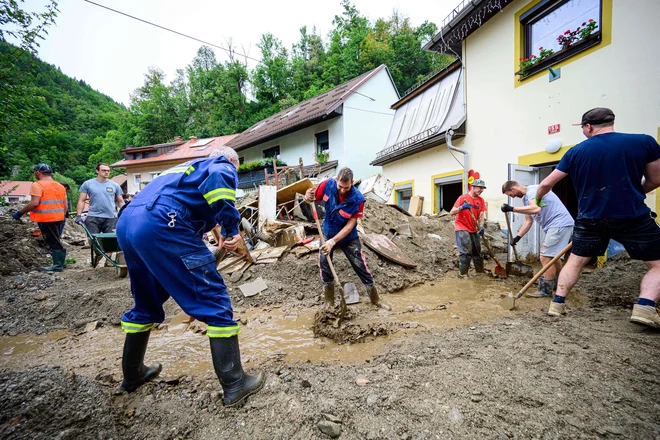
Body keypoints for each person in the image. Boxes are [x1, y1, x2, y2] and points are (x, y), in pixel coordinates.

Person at [115, 147, 264, 407]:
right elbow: (219, 180)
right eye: (236, 171)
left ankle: (133, 374)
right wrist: (231, 229)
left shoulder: (184, 169)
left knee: (146, 303)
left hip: (129, 224)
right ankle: (235, 383)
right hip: (163, 222)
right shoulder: (221, 163)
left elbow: (189, 207)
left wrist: (218, 235)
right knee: (214, 302)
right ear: (233, 161)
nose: (234, 175)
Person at [535, 107, 660, 327]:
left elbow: (546, 183)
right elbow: (655, 179)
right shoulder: (644, 142)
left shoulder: (576, 151)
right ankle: (645, 305)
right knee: (657, 264)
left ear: (589, 126)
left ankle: (557, 304)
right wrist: (636, 190)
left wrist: (538, 199)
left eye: (583, 127)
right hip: (631, 214)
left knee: (575, 262)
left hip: (590, 217)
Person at [304, 167, 384, 308]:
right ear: (336, 181)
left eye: (346, 187)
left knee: (360, 264)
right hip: (328, 231)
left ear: (352, 182)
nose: (342, 190)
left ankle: (375, 299)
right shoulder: (327, 184)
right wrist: (307, 196)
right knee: (324, 263)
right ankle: (329, 302)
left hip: (348, 237)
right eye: (340, 186)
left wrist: (332, 242)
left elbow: (350, 225)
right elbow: (312, 198)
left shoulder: (358, 199)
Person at [501, 181, 574, 297]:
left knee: (545, 257)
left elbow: (536, 209)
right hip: (560, 225)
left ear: (513, 188)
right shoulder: (526, 199)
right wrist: (517, 237)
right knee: (554, 257)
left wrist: (512, 209)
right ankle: (560, 282)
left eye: (510, 194)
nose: (512, 197)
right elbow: (528, 221)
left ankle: (545, 290)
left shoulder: (533, 192)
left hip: (559, 224)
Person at [12, 164, 68, 272]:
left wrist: (20, 213)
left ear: (38, 172)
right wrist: (62, 217)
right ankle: (61, 262)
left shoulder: (37, 185)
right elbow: (65, 205)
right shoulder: (60, 186)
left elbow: (34, 203)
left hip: (46, 218)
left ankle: (58, 266)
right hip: (58, 218)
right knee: (56, 239)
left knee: (53, 241)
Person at [449, 179, 487, 276]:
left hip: (473, 228)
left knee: (477, 251)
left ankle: (480, 272)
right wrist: (462, 207)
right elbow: (452, 212)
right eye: (480, 188)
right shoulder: (463, 198)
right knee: (466, 252)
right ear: (473, 187)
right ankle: (463, 275)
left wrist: (481, 226)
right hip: (461, 227)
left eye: (483, 188)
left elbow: (482, 215)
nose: (481, 190)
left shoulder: (481, 200)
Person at [75, 163, 124, 233]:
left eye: (108, 171)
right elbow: (82, 200)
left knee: (110, 240)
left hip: (111, 217)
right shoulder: (88, 184)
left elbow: (121, 201)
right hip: (93, 216)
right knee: (93, 239)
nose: (106, 172)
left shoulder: (115, 185)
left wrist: (125, 214)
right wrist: (79, 215)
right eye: (104, 170)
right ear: (97, 171)